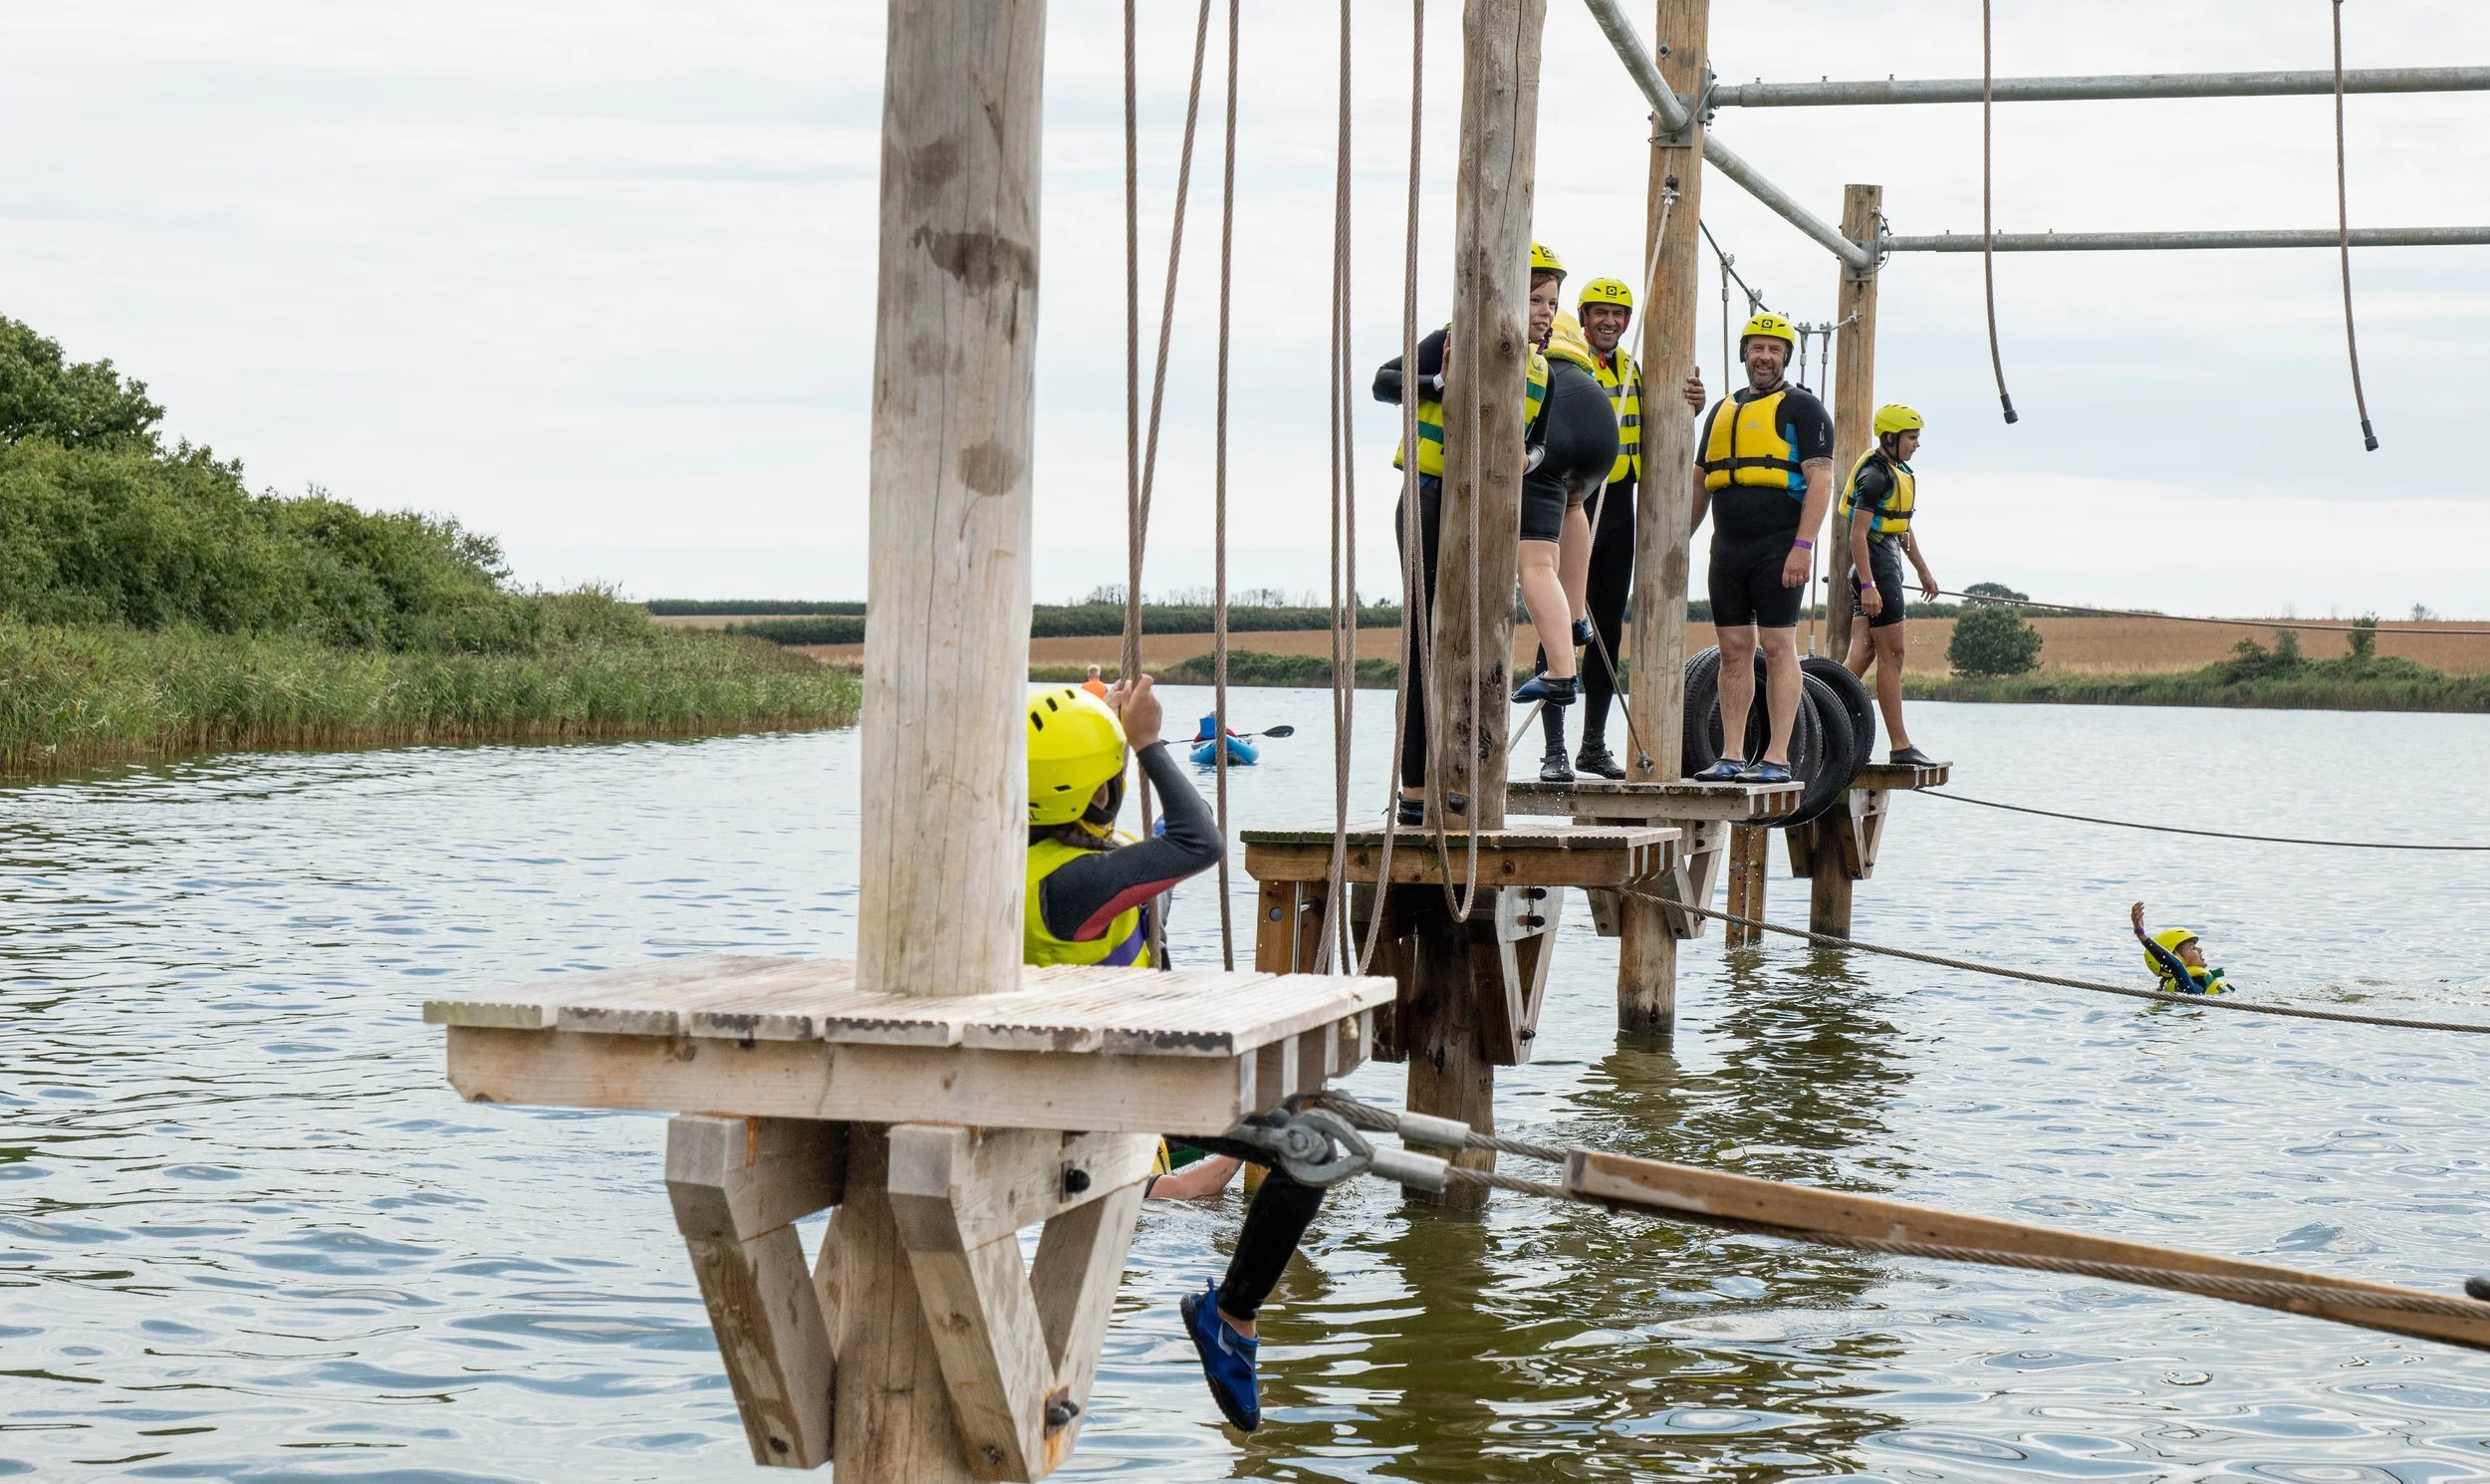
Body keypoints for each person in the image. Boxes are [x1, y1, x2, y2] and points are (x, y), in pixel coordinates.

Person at [1022, 677, 1325, 1433]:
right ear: (1102, 795)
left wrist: (1096, 710)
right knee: (1310, 1151)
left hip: (1092, 1073)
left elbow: (1130, 842)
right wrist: (1149, 742)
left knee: (1292, 1123)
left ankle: (1223, 1283)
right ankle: (1231, 1316)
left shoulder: (1034, 857)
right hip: (1114, 1090)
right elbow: (1199, 842)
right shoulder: (1072, 884)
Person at [1370, 243, 1558, 824]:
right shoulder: (1451, 337)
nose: (1545, 313)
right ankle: (1415, 790)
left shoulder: (1541, 371)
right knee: (1426, 643)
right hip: (1431, 500)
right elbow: (1384, 381)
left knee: (1479, 643)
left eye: (1552, 303)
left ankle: (1463, 773)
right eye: (1534, 299)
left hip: (1489, 511)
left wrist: (1527, 459)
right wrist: (1439, 384)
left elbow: (1541, 441)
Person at [1684, 312, 1837, 784]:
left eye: (1774, 349)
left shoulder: (1804, 409)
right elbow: (1700, 480)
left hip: (1778, 548)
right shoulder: (1722, 410)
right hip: (1727, 550)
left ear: (1785, 356)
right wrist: (1679, 542)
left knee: (1776, 646)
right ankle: (1730, 754)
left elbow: (1821, 480)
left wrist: (1803, 547)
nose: (1764, 356)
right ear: (1744, 354)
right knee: (1732, 649)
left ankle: (1776, 757)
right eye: (1757, 348)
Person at [1513, 297, 1621, 783]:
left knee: (1534, 563)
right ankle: (1578, 620)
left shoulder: (1504, 311)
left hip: (1553, 423)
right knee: (1575, 502)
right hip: (1600, 428)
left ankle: (1561, 672)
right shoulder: (1576, 341)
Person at [1562, 275, 1644, 779]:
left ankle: (1593, 744)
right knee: (1562, 620)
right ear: (1585, 317)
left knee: (1607, 628)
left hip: (1619, 509)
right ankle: (1553, 748)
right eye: (1599, 313)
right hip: (1573, 501)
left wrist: (1691, 403)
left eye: (1617, 315)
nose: (1609, 321)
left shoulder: (1637, 370)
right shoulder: (1568, 361)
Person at [1840, 404, 1943, 768]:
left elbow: (1901, 528)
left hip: (1882, 566)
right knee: (1893, 657)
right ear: (1890, 438)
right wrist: (1869, 585)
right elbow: (1857, 535)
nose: (1916, 445)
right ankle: (1900, 746)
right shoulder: (1875, 476)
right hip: (1876, 571)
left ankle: (1822, 718)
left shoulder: (1897, 471)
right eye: (1912, 438)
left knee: (1861, 655)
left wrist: (1923, 571)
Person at [2129, 901, 2231, 995]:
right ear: (2173, 958)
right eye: (2192, 948)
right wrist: (2142, 936)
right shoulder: (2184, 985)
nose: (2200, 950)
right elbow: (2177, 966)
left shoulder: (2199, 980)